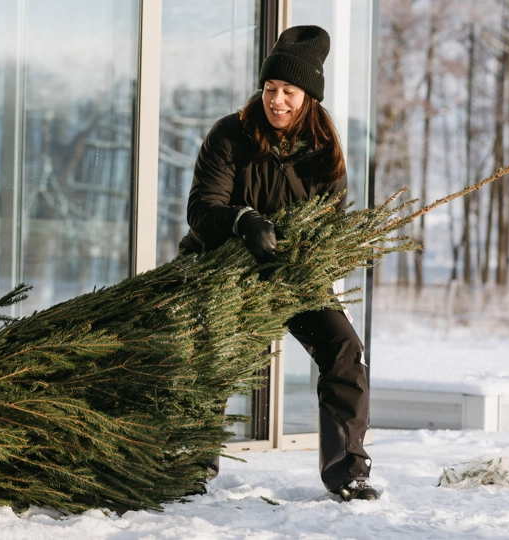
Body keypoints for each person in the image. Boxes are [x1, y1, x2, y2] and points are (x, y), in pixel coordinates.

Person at [178, 25, 378, 502]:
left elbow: (329, 223)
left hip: (292, 276)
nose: (277, 101)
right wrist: (242, 221)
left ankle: (346, 471)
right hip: (223, 269)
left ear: (307, 96)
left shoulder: (324, 148)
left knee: (345, 349)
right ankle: (190, 466)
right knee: (214, 351)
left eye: (288, 91)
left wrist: (316, 263)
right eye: (270, 89)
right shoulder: (230, 134)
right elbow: (201, 208)